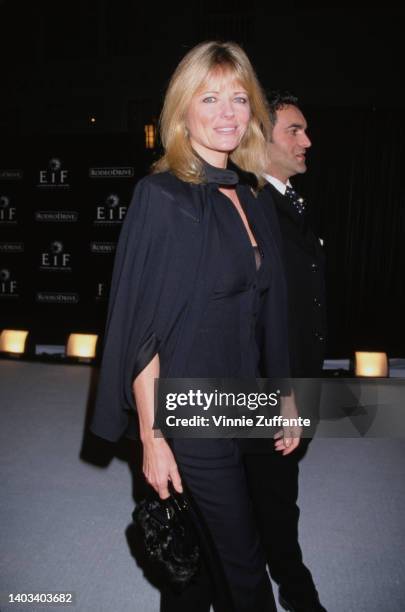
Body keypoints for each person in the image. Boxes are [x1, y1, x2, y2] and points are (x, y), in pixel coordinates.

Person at [90, 43, 299, 612]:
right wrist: (155, 441)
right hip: (191, 407)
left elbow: (267, 315)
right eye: (210, 97)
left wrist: (281, 400)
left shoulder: (252, 195)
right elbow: (140, 334)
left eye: (239, 97)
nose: (228, 112)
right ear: (184, 111)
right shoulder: (161, 197)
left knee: (199, 573)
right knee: (245, 570)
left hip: (244, 401)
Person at [243, 92, 327, 612]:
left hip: (301, 375)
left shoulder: (292, 202)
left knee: (277, 491)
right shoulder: (251, 207)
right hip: (266, 386)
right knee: (268, 495)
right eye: (294, 131)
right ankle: (292, 586)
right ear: (263, 140)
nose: (307, 141)